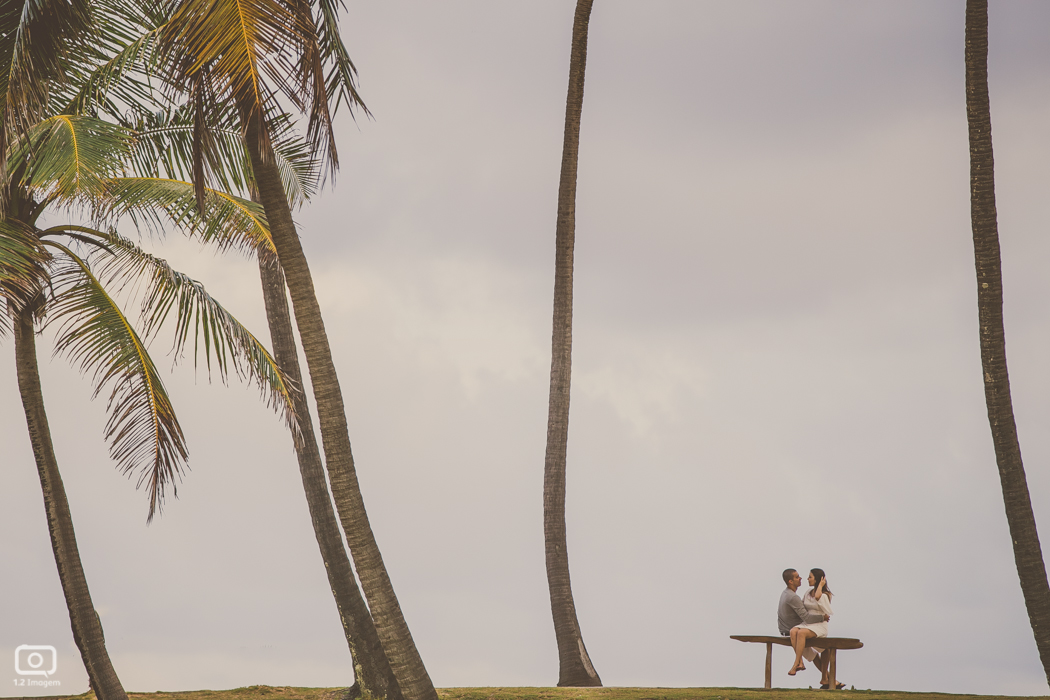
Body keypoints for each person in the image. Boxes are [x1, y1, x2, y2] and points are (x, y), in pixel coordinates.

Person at [788, 568, 840, 689]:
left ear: (818, 579)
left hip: (819, 625)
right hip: (808, 623)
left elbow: (818, 597)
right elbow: (802, 607)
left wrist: (821, 585)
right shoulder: (807, 592)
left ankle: (796, 663)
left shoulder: (826, 595)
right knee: (793, 631)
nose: (807, 579)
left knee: (801, 633)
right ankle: (800, 661)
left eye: (810, 577)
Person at [778, 569, 827, 674]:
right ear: (790, 581)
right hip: (792, 631)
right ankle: (799, 662)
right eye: (797, 577)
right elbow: (807, 618)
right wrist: (822, 618)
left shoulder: (786, 593)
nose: (801, 578)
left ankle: (829, 680)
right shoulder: (793, 597)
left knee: (814, 654)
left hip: (789, 630)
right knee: (823, 648)